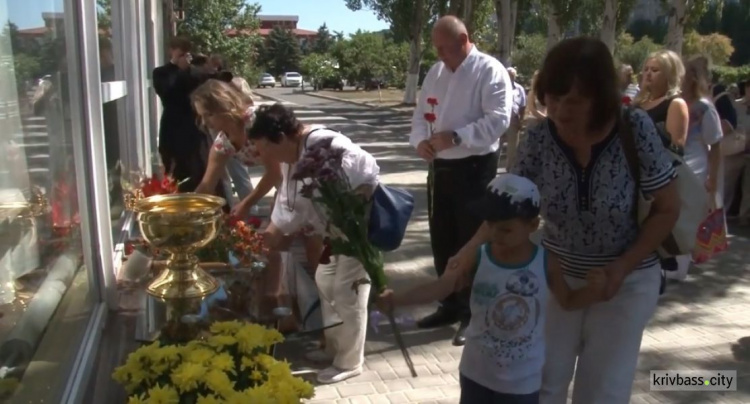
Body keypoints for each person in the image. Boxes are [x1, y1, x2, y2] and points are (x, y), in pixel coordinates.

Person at [447, 37, 680, 404]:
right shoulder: (540, 138)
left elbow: (668, 208)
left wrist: (621, 268)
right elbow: (505, 204)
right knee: (542, 382)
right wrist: (469, 250)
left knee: (602, 390)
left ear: (600, 97)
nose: (558, 110)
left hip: (626, 283)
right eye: (552, 98)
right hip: (554, 276)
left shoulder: (634, 128)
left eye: (572, 100)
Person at [379, 174, 607, 404]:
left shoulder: (546, 263)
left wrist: (594, 291)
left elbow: (568, 301)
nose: (496, 235)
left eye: (506, 229)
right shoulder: (478, 257)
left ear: (532, 225)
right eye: (490, 225)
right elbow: (441, 287)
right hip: (476, 373)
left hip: (522, 381)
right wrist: (398, 299)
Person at [248, 103, 379, 384]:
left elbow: (367, 166)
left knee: (348, 291)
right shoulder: (291, 156)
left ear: (281, 138)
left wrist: (356, 198)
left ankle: (349, 362)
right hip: (334, 231)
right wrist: (267, 237)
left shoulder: (322, 142)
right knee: (324, 280)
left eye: (264, 148)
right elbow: (288, 202)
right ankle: (334, 348)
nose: (262, 155)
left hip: (356, 228)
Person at [408, 15, 513, 346]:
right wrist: (420, 141)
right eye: (436, 48)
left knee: (471, 240)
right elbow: (422, 115)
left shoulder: (489, 70)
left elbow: (498, 120)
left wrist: (457, 136)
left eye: (444, 47)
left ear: (464, 39)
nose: (439, 54)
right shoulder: (436, 73)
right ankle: (450, 304)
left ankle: (475, 313)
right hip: (440, 168)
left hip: (474, 166)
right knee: (443, 238)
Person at [668, 56, 723, 281]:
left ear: (692, 78)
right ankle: (673, 260)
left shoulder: (705, 108)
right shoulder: (675, 102)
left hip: (696, 169)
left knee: (687, 217)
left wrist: (712, 177)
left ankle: (681, 264)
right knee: (673, 214)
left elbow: (716, 144)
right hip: (676, 168)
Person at [190, 79, 281, 217]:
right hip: (287, 182)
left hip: (307, 170)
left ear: (224, 106)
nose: (204, 122)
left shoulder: (254, 121)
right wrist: (184, 209)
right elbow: (206, 186)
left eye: (208, 114)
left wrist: (246, 203)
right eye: (201, 116)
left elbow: (275, 172)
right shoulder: (223, 143)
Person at [153, 37, 225, 194]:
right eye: (179, 52)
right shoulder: (161, 73)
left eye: (185, 53)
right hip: (172, 129)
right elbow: (167, 92)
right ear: (171, 51)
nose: (183, 56)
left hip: (195, 128)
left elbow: (209, 83)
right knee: (175, 173)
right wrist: (178, 69)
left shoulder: (194, 73)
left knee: (200, 169)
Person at [505, 67, 527, 169]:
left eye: (513, 76)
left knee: (513, 148)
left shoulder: (519, 89)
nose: (511, 77)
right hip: (500, 118)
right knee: (496, 145)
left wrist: (521, 120)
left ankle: (510, 170)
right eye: (510, 75)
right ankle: (493, 168)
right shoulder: (499, 86)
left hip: (514, 119)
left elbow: (523, 106)